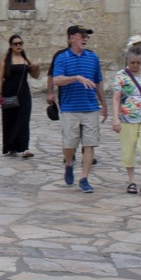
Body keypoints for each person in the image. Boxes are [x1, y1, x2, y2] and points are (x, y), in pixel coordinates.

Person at [52, 25, 107, 193]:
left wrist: (104, 104)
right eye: (81, 35)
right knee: (69, 144)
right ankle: (69, 163)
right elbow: (57, 80)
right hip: (70, 108)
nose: (85, 39)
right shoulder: (62, 58)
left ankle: (84, 178)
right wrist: (76, 77)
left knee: (90, 145)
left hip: (90, 107)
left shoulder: (93, 58)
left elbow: (98, 81)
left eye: (86, 36)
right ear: (71, 38)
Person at [111, 47, 141, 197]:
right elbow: (116, 98)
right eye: (132, 62)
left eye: (138, 63)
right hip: (127, 117)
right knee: (128, 149)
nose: (135, 66)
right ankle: (131, 180)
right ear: (127, 61)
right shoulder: (121, 75)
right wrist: (115, 118)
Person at [0, 34, 41, 158]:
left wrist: (37, 67)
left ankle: (25, 148)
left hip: (23, 93)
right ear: (11, 46)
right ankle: (11, 147)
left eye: (20, 43)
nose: (18, 45)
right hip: (8, 92)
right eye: (16, 44)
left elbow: (35, 76)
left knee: (24, 119)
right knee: (10, 119)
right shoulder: (5, 60)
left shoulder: (27, 59)